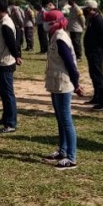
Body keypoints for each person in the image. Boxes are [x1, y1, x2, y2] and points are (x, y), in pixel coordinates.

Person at [40, 10, 84, 170]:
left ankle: (71, 157)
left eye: (47, 21)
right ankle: (62, 150)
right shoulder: (54, 35)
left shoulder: (60, 38)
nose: (44, 24)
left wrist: (77, 84)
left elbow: (71, 64)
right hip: (56, 83)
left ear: (54, 22)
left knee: (66, 120)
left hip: (64, 84)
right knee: (60, 118)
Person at [0, 0, 22, 133]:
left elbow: (12, 42)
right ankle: (5, 118)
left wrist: (17, 56)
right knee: (3, 92)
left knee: (8, 93)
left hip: (6, 61)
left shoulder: (6, 24)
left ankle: (11, 123)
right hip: (0, 60)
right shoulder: (2, 22)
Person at [82, 0, 103, 110]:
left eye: (86, 9)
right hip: (91, 51)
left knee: (98, 75)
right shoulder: (92, 19)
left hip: (97, 52)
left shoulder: (98, 20)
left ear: (91, 9)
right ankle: (96, 97)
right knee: (93, 74)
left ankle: (102, 101)